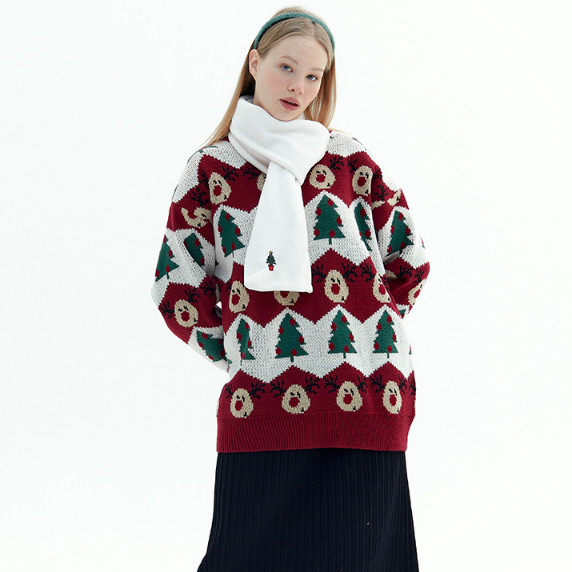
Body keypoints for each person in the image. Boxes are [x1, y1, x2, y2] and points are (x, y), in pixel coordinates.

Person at [151, 6, 430, 571]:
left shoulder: (349, 158)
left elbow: (410, 257)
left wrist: (372, 330)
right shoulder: (211, 169)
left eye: (313, 76)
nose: (298, 87)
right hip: (262, 397)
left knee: (360, 557)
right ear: (254, 63)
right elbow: (176, 285)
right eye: (286, 67)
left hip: (366, 390)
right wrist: (241, 352)